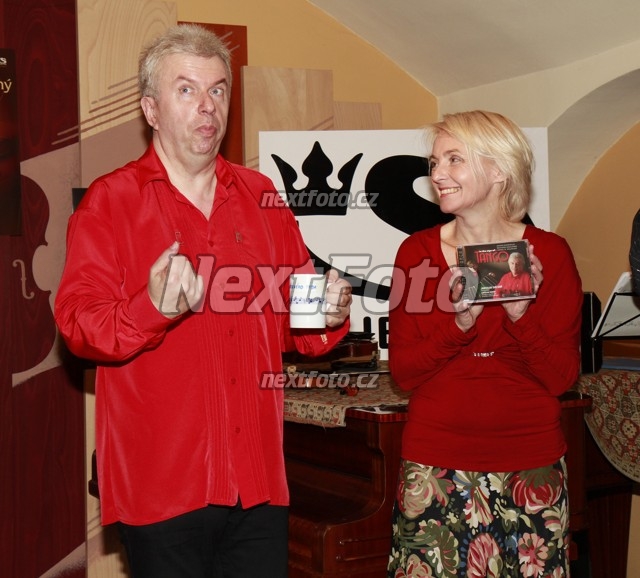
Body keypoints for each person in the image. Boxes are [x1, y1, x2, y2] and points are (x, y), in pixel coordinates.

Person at [54, 24, 351, 578]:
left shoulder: (263, 197)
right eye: (186, 90)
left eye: (217, 90)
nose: (207, 105)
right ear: (151, 109)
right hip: (162, 488)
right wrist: (152, 308)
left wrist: (328, 314)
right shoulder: (110, 202)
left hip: (257, 484)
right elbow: (77, 325)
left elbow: (296, 321)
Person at [387, 110, 582, 577]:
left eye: (454, 159)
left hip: (531, 467)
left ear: (498, 170)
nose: (438, 174)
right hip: (436, 467)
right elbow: (405, 373)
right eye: (435, 162)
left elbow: (561, 378)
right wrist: (460, 324)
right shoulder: (415, 253)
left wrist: (520, 316)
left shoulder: (550, 253)